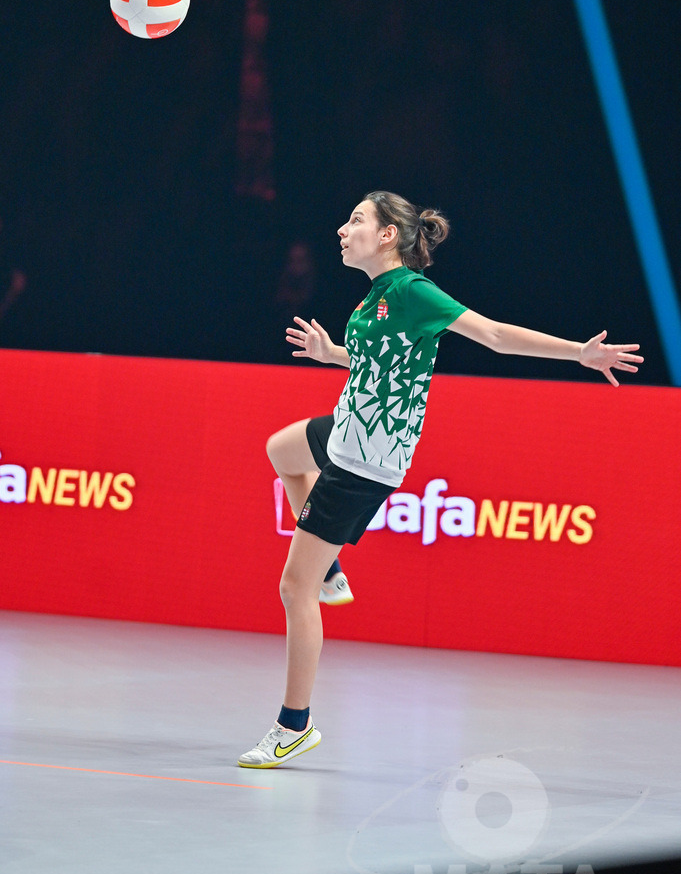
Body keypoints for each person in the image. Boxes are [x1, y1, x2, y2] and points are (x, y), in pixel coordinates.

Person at [237, 190, 643, 769]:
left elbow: (496, 335)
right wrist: (333, 355)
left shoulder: (412, 291)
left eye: (356, 220)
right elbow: (383, 362)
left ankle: (292, 726)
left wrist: (579, 353)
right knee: (281, 449)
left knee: (292, 590)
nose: (341, 229)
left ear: (386, 237)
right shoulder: (377, 295)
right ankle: (330, 567)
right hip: (349, 428)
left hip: (363, 460)